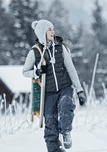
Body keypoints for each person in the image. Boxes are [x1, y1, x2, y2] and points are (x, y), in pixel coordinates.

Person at [22, 19, 87, 152]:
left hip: (65, 87)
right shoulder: (34, 52)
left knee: (66, 106)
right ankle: (55, 150)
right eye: (49, 29)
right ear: (42, 32)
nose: (53, 31)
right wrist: (36, 72)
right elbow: (25, 72)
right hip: (47, 92)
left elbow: (71, 69)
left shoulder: (60, 48)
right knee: (50, 123)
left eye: (53, 29)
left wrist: (80, 91)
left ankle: (66, 132)